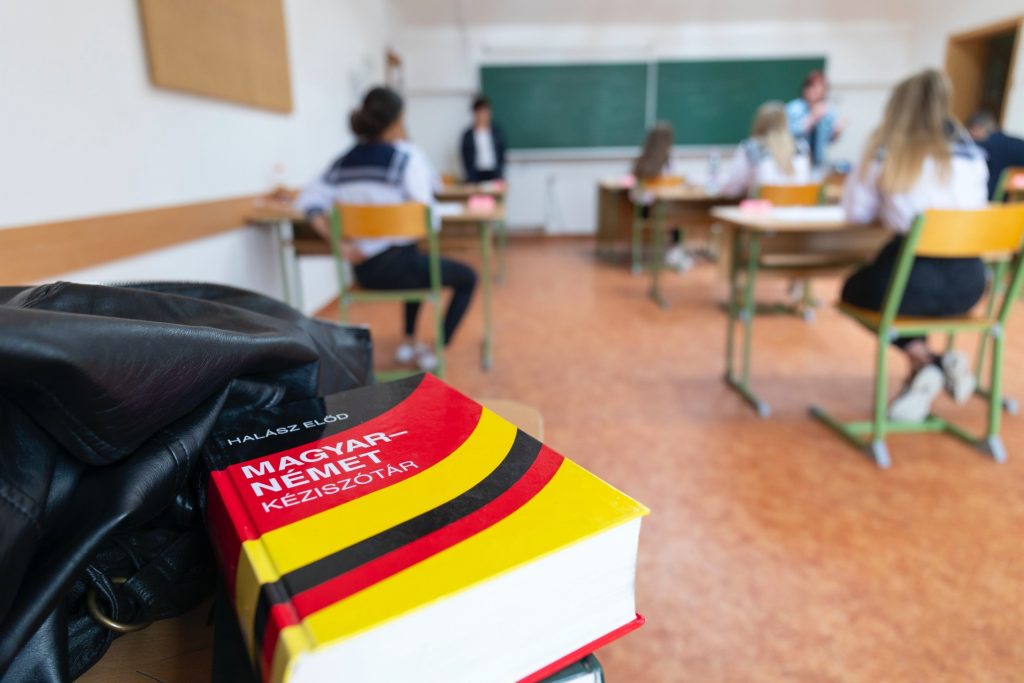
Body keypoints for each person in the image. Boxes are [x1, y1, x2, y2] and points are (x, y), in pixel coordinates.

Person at [841, 69, 990, 422]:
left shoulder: (886, 149)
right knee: (904, 290)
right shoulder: (970, 152)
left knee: (859, 288)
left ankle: (925, 362)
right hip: (969, 285)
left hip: (909, 280)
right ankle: (933, 364)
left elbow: (856, 212)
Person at [298, 86, 477, 372]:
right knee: (466, 277)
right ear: (396, 122)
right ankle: (435, 350)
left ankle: (409, 340)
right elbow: (428, 220)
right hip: (401, 267)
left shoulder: (342, 163)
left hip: (363, 271)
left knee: (415, 264)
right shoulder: (405, 159)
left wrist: (338, 243)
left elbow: (307, 200)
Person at [719, 101, 814, 198]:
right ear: (786, 122)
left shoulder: (750, 148)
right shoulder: (802, 147)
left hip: (763, 206)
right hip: (799, 205)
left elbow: (732, 188)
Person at [786, 70, 845, 168]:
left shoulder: (828, 110)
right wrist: (812, 118)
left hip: (818, 163)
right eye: (813, 87)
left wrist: (836, 133)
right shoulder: (793, 108)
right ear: (805, 89)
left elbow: (828, 140)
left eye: (821, 88)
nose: (817, 91)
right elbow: (788, 133)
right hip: (795, 160)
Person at [966, 110, 1024, 199]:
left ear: (976, 129)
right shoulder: (1019, 142)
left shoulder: (985, 148)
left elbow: (989, 190)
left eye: (970, 133)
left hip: (996, 203)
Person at [460, 95, 507, 182]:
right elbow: (465, 157)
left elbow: (501, 152)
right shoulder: (468, 135)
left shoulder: (497, 132)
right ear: (475, 113)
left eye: (486, 112)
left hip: (494, 172)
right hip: (476, 174)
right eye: (480, 112)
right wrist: (469, 174)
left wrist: (500, 171)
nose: (483, 115)